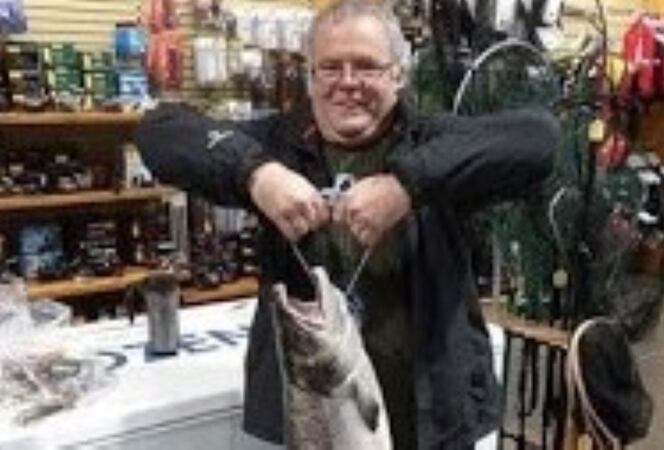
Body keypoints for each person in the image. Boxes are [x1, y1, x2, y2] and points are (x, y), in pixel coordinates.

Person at [135, 0, 559, 448]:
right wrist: (256, 174)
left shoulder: (434, 142)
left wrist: (406, 185)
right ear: (311, 77)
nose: (348, 83)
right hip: (313, 417)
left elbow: (539, 139)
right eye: (331, 67)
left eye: (367, 67)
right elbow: (159, 132)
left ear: (398, 74)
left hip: (433, 418)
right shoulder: (274, 144)